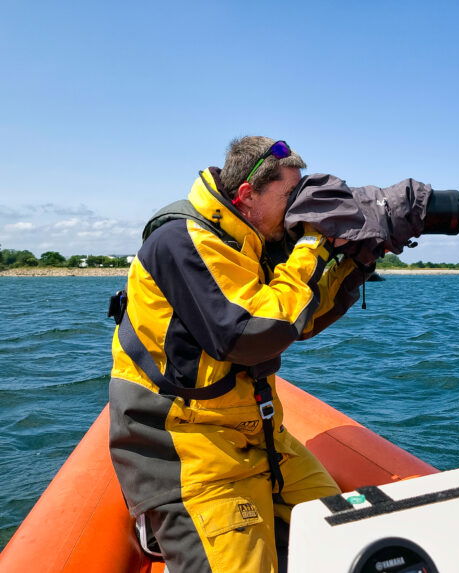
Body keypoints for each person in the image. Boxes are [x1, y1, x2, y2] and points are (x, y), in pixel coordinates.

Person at [109, 136, 370, 572]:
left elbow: (298, 318)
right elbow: (253, 333)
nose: (299, 209)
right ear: (247, 196)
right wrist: (310, 244)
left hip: (260, 436)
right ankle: (167, 522)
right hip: (191, 450)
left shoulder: (254, 242)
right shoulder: (182, 240)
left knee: (353, 539)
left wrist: (356, 261)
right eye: (291, 196)